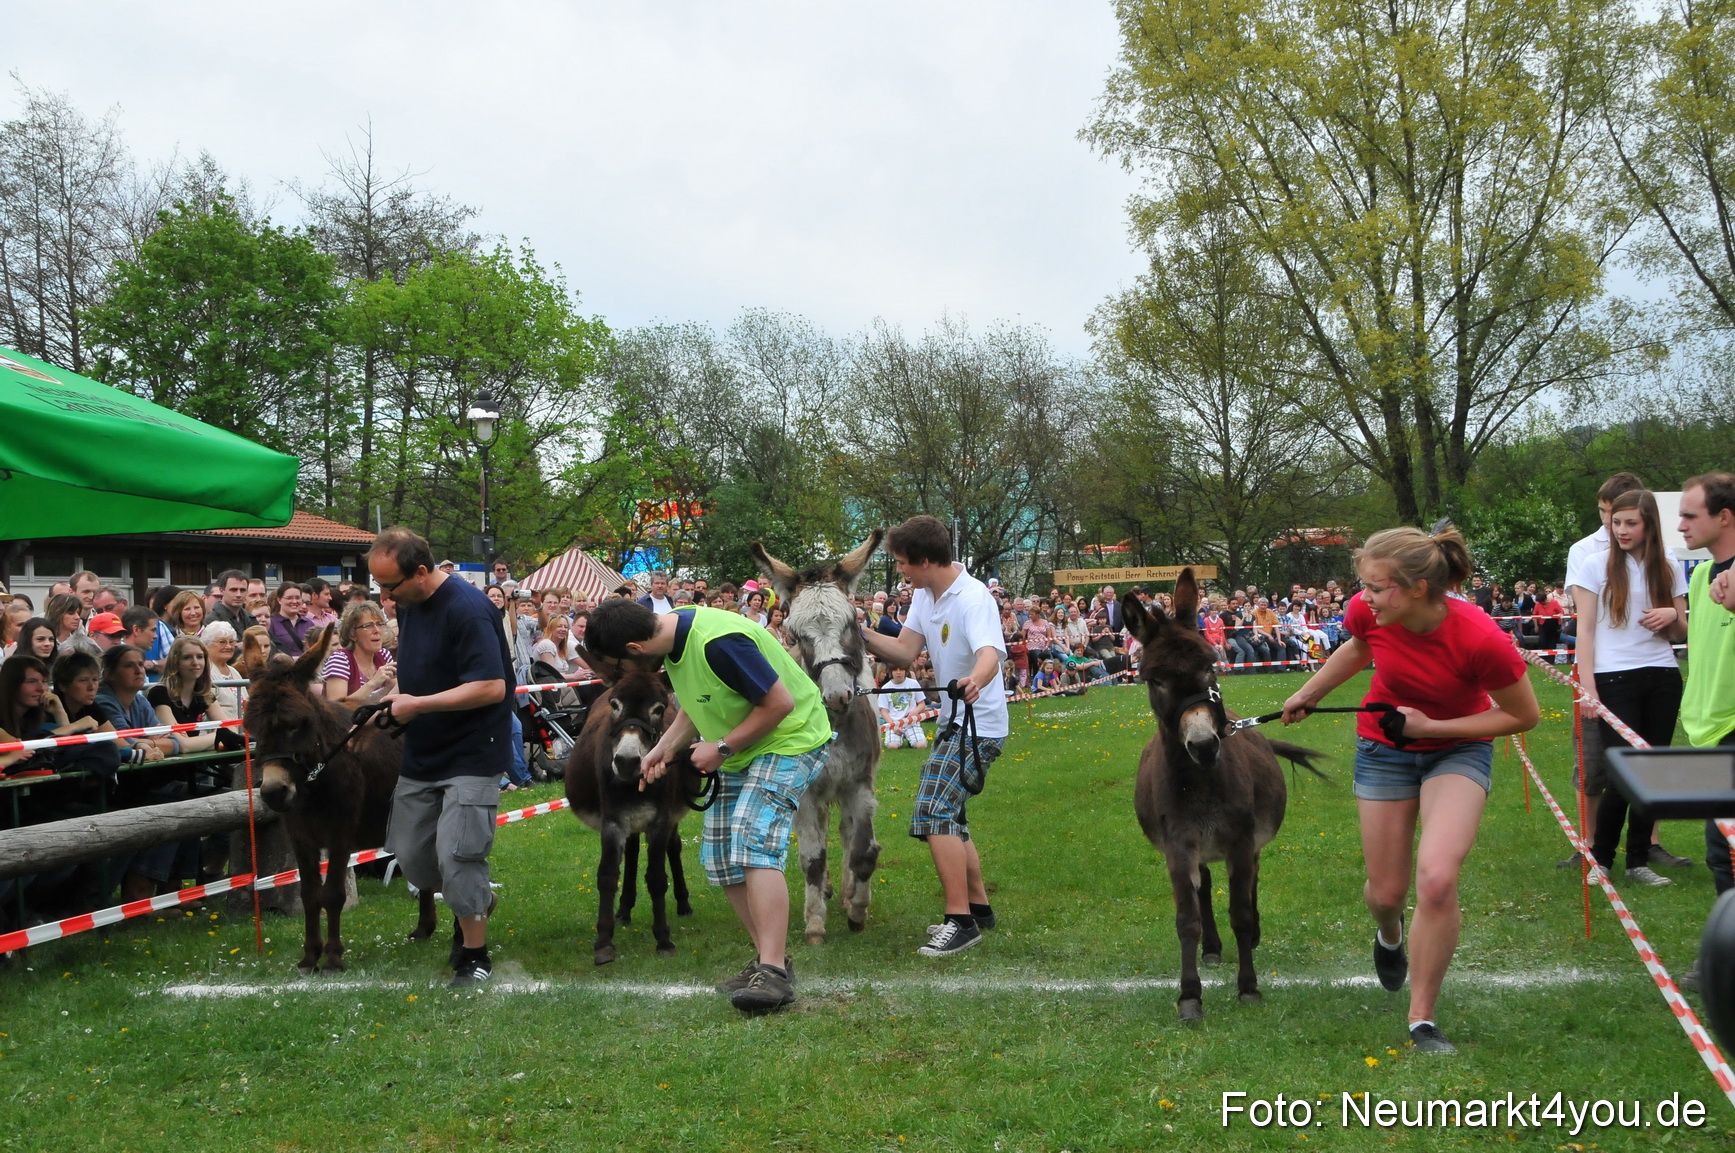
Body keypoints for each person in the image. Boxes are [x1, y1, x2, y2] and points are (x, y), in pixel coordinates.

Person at [1280, 524, 1538, 1056]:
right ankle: (1389, 933)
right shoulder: (1368, 613)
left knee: (1438, 878)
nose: (1364, 598)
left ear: (1418, 588)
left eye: (1376, 588)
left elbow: (1522, 715)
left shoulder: (1480, 638)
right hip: (1383, 750)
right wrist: (1308, 692)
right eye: (1365, 587)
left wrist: (1432, 729)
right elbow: (1357, 647)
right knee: (1387, 894)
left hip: (1457, 749)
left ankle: (1422, 1018)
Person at [585, 593, 832, 1013]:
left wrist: (720, 747)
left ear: (633, 649)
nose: (623, 675)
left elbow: (780, 704)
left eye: (619, 667)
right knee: (720, 856)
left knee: (753, 839)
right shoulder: (673, 637)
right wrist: (662, 750)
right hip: (747, 746)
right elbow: (696, 703)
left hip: (791, 739)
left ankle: (772, 971)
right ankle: (767, 961)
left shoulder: (719, 642)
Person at [369, 526, 514, 989]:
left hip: (473, 752)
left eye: (390, 586)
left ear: (421, 572)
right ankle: (471, 900)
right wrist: (389, 700)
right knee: (411, 855)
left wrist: (418, 705)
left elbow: (492, 686)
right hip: (423, 752)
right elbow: (420, 674)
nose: (385, 598)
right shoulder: (411, 607)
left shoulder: (468, 610)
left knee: (459, 856)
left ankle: (474, 956)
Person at [861, 515, 1010, 958]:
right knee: (953, 816)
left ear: (926, 561)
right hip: (952, 722)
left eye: (904, 563)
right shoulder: (926, 596)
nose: (900, 572)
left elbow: (991, 654)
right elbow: (905, 652)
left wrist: (976, 680)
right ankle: (979, 908)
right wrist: (858, 633)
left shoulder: (973, 598)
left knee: (933, 809)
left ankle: (960, 923)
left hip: (979, 725)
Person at [1568, 489, 1689, 888]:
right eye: (1616, 522)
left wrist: (1674, 613)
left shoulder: (1669, 563)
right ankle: (1601, 860)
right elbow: (1584, 631)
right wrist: (1588, 690)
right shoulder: (1592, 564)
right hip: (1612, 677)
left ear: (1649, 523)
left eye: (1630, 523)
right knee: (1622, 772)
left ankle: (1638, 861)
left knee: (1651, 771)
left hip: (1662, 674)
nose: (1620, 530)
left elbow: (1683, 630)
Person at [1676, 473, 1735, 990]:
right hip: (1709, 729)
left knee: (1727, 848)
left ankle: (1726, 961)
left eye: (1690, 515)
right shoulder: (1700, 578)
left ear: (1725, 517)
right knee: (1723, 849)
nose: (1681, 525)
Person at [147, 636, 239, 755]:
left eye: (200, 657)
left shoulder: (203, 693)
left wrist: (194, 742)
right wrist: (219, 736)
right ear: (176, 662)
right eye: (187, 657)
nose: (195, 662)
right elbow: (182, 745)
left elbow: (232, 730)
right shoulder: (159, 693)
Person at [318, 600, 397, 707]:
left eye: (380, 624)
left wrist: (393, 686)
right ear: (352, 634)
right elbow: (336, 707)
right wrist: (373, 683)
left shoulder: (384, 654)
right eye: (368, 625)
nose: (377, 630)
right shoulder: (340, 659)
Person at [198, 622, 247, 716]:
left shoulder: (234, 671)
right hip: (218, 729)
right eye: (222, 642)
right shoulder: (204, 672)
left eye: (231, 642)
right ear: (206, 644)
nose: (228, 646)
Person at [880, 664, 929, 749]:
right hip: (894, 723)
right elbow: (883, 710)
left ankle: (913, 740)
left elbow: (922, 704)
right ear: (891, 672)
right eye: (895, 670)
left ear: (906, 671)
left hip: (911, 722)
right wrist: (892, 725)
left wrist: (915, 711)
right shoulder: (885, 688)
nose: (898, 672)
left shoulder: (913, 683)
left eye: (901, 670)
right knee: (892, 746)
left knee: (921, 745)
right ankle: (900, 739)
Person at [46, 594, 99, 659]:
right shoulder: (47, 641)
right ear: (57, 613)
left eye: (78, 613)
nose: (77, 617)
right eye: (71, 613)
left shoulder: (83, 641)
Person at [268, 583, 314, 658]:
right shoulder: (271, 622)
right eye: (289, 598)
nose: (294, 601)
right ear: (279, 600)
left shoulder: (309, 623)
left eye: (297, 598)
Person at [207, 570, 252, 634]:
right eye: (233, 590)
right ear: (222, 590)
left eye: (242, 590)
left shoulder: (251, 618)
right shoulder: (213, 620)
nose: (238, 594)